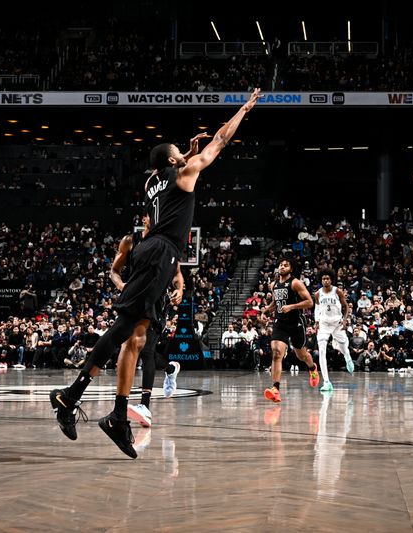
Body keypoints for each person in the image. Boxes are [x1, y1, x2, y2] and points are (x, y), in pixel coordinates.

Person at [50, 88, 262, 458]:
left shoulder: (153, 182)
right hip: (161, 250)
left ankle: (112, 413)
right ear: (172, 159)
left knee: (136, 332)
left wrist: (185, 155)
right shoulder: (184, 173)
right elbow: (221, 140)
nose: (186, 153)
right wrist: (244, 108)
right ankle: (71, 397)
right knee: (124, 329)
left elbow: (169, 173)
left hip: (154, 250)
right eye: (179, 152)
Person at [108, 214, 185, 428]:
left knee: (147, 350)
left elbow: (178, 273)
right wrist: (122, 286)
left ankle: (145, 406)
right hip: (133, 301)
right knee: (138, 350)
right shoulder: (131, 240)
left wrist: (179, 289)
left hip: (156, 302)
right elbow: (114, 271)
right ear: (145, 218)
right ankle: (170, 368)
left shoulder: (166, 243)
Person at [262, 257, 318, 403]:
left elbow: (310, 302)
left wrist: (292, 307)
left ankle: (312, 368)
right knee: (276, 353)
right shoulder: (273, 284)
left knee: (301, 355)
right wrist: (267, 310)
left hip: (295, 323)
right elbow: (277, 302)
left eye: (286, 265)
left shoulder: (295, 283)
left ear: (291, 269)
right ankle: (275, 389)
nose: (282, 266)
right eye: (281, 264)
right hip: (280, 322)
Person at [314, 268, 354, 392]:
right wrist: (316, 321)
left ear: (331, 280)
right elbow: (317, 307)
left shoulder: (337, 291)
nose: (325, 280)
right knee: (321, 351)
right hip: (324, 324)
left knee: (343, 346)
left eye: (327, 278)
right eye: (323, 278)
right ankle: (326, 382)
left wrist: (345, 320)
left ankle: (347, 356)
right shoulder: (318, 293)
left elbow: (346, 306)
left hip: (337, 323)